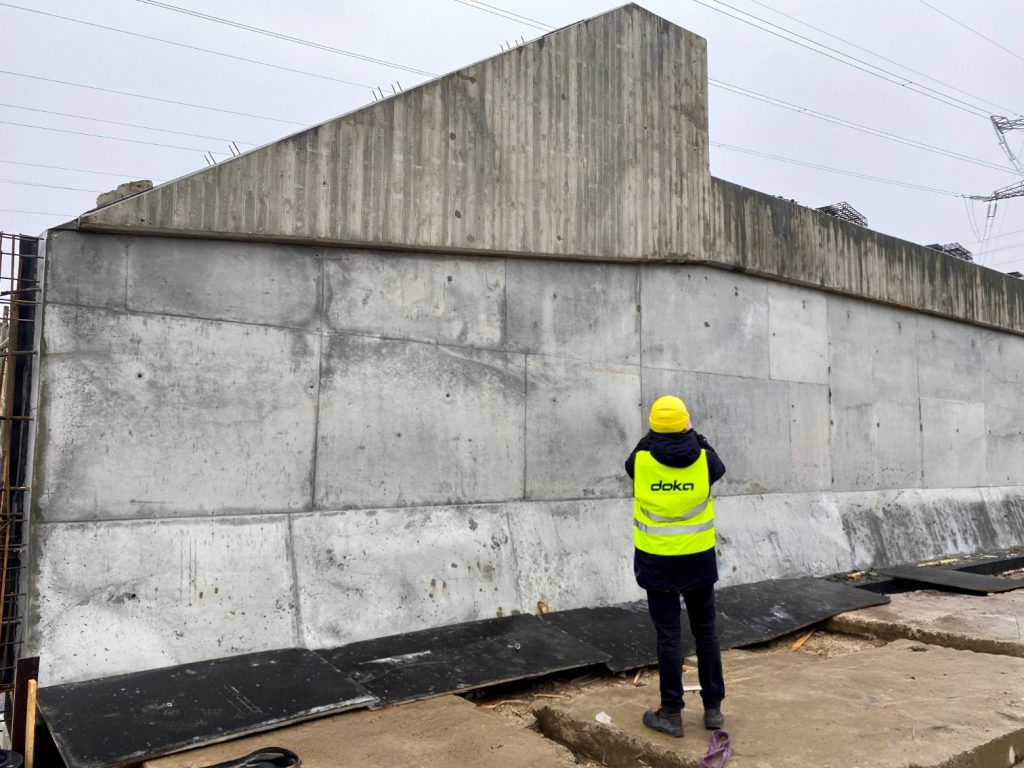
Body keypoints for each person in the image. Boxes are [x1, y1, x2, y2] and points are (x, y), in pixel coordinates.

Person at [625, 395, 727, 738]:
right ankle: (713, 709)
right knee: (706, 632)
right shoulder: (705, 461)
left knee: (668, 636)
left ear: (653, 427)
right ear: (686, 422)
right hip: (697, 559)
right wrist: (693, 434)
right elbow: (716, 463)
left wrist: (655, 434)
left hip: (658, 562)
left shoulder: (639, 462)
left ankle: (671, 713)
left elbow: (637, 453)